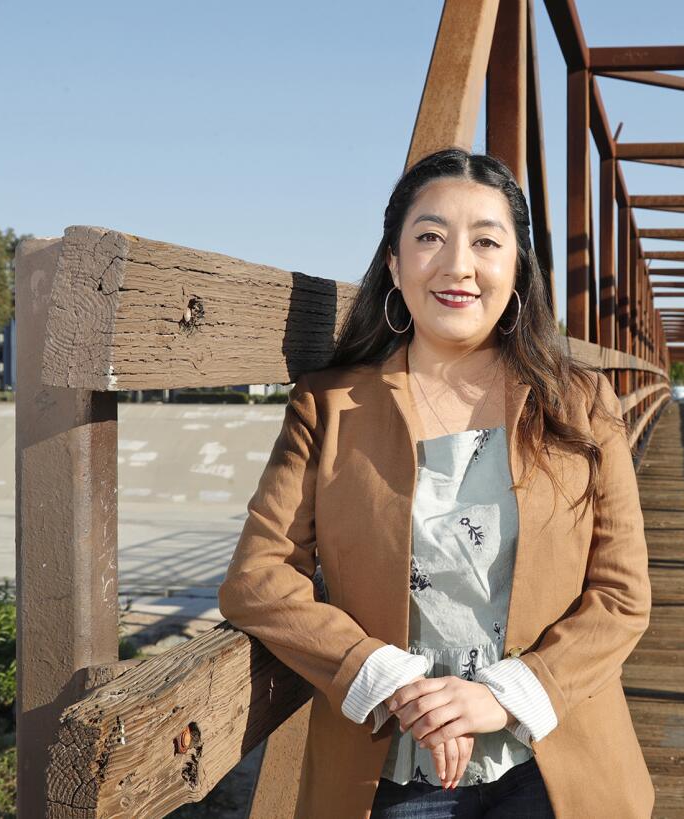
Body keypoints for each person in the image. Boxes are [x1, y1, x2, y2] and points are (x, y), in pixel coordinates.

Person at [217, 148, 655, 818]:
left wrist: (504, 693)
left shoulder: (582, 404)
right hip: (391, 769)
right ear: (394, 263)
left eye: (486, 240)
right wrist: (390, 679)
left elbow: (622, 597)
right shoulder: (328, 405)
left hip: (552, 761)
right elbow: (258, 577)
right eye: (429, 237)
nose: (457, 265)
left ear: (516, 267)